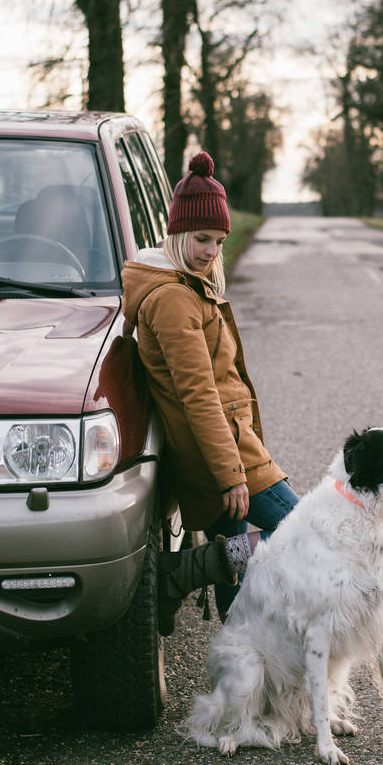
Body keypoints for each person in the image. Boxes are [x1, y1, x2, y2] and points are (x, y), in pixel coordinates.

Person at [121, 151, 299, 631]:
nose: (210, 251)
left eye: (218, 242)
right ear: (176, 233)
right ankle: (182, 572)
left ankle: (241, 666)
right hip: (221, 451)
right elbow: (198, 396)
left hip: (229, 444)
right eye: (201, 239)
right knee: (305, 530)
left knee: (236, 569)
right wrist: (231, 475)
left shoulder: (187, 285)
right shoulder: (173, 299)